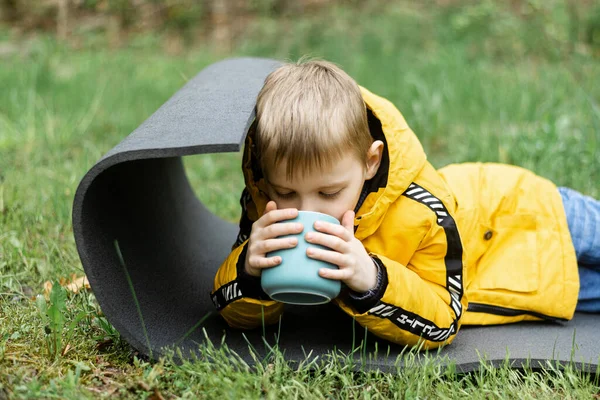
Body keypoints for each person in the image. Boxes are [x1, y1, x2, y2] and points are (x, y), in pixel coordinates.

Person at [210, 59, 599, 349]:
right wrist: (247, 269)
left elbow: (443, 324)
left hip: (535, 210)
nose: (308, 209)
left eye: (329, 194)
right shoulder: (266, 201)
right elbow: (231, 313)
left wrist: (374, 277)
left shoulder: (422, 209)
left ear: (371, 161)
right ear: (265, 175)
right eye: (288, 193)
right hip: (523, 277)